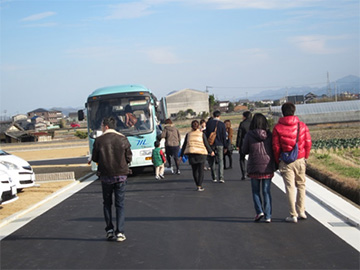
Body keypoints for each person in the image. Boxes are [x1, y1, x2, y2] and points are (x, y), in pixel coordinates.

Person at [92, 117, 132, 241]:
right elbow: (129, 157)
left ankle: (109, 230)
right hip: (120, 175)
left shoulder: (99, 140)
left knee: (107, 204)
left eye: (102, 126)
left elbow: (95, 158)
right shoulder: (122, 138)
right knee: (120, 204)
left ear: (106, 126)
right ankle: (120, 232)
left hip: (105, 176)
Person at [272, 102, 312, 223]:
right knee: (301, 185)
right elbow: (308, 143)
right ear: (294, 111)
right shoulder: (302, 126)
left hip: (286, 161)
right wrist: (305, 156)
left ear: (282, 112)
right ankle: (302, 211)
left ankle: (293, 214)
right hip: (300, 159)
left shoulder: (277, 128)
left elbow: (276, 147)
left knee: (290, 187)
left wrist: (277, 160)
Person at [242, 113, 276, 223]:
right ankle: (268, 215)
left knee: (255, 191)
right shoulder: (270, 135)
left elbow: (244, 150)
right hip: (267, 166)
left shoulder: (249, 135)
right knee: (266, 191)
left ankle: (259, 211)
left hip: (254, 166)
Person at [180, 120, 214, 191]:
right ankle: (200, 185)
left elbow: (184, 145)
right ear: (198, 126)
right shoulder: (201, 134)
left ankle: (197, 184)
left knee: (194, 170)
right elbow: (206, 144)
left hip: (192, 154)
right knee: (201, 170)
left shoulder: (188, 134)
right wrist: (211, 151)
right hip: (201, 153)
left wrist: (181, 155)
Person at [205, 110, 227, 183]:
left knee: (212, 161)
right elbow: (224, 136)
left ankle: (214, 177)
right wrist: (225, 146)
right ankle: (221, 177)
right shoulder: (222, 124)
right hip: (220, 144)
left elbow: (206, 134)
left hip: (211, 144)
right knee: (220, 160)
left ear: (213, 115)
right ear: (219, 116)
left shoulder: (208, 123)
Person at [236, 111, 252, 180]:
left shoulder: (242, 124)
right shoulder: (253, 123)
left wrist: (237, 144)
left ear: (245, 116)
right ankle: (251, 172)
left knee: (242, 159)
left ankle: (243, 173)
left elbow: (239, 135)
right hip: (252, 143)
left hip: (243, 143)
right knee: (252, 159)